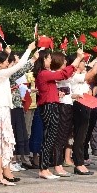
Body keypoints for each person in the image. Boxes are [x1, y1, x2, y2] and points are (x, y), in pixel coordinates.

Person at [0, 42, 37, 186]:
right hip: (0, 110)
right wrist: (29, 49)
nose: (8, 64)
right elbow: (19, 66)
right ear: (0, 63)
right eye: (7, 62)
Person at [34, 49, 81, 180]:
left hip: (52, 105)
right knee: (49, 138)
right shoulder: (44, 73)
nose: (51, 60)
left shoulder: (45, 73)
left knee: (51, 137)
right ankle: (43, 169)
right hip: (48, 106)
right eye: (49, 58)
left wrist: (56, 93)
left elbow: (49, 89)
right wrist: (77, 59)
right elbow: (63, 74)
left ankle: (45, 168)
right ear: (43, 60)